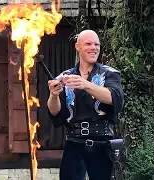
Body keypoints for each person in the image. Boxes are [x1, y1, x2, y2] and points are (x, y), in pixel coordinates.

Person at [47, 29, 124, 180]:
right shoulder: (64, 77)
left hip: (102, 144)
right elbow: (56, 113)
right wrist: (53, 95)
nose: (93, 48)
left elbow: (115, 99)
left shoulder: (110, 74)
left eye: (96, 44)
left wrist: (86, 85)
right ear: (77, 47)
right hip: (74, 144)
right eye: (88, 44)